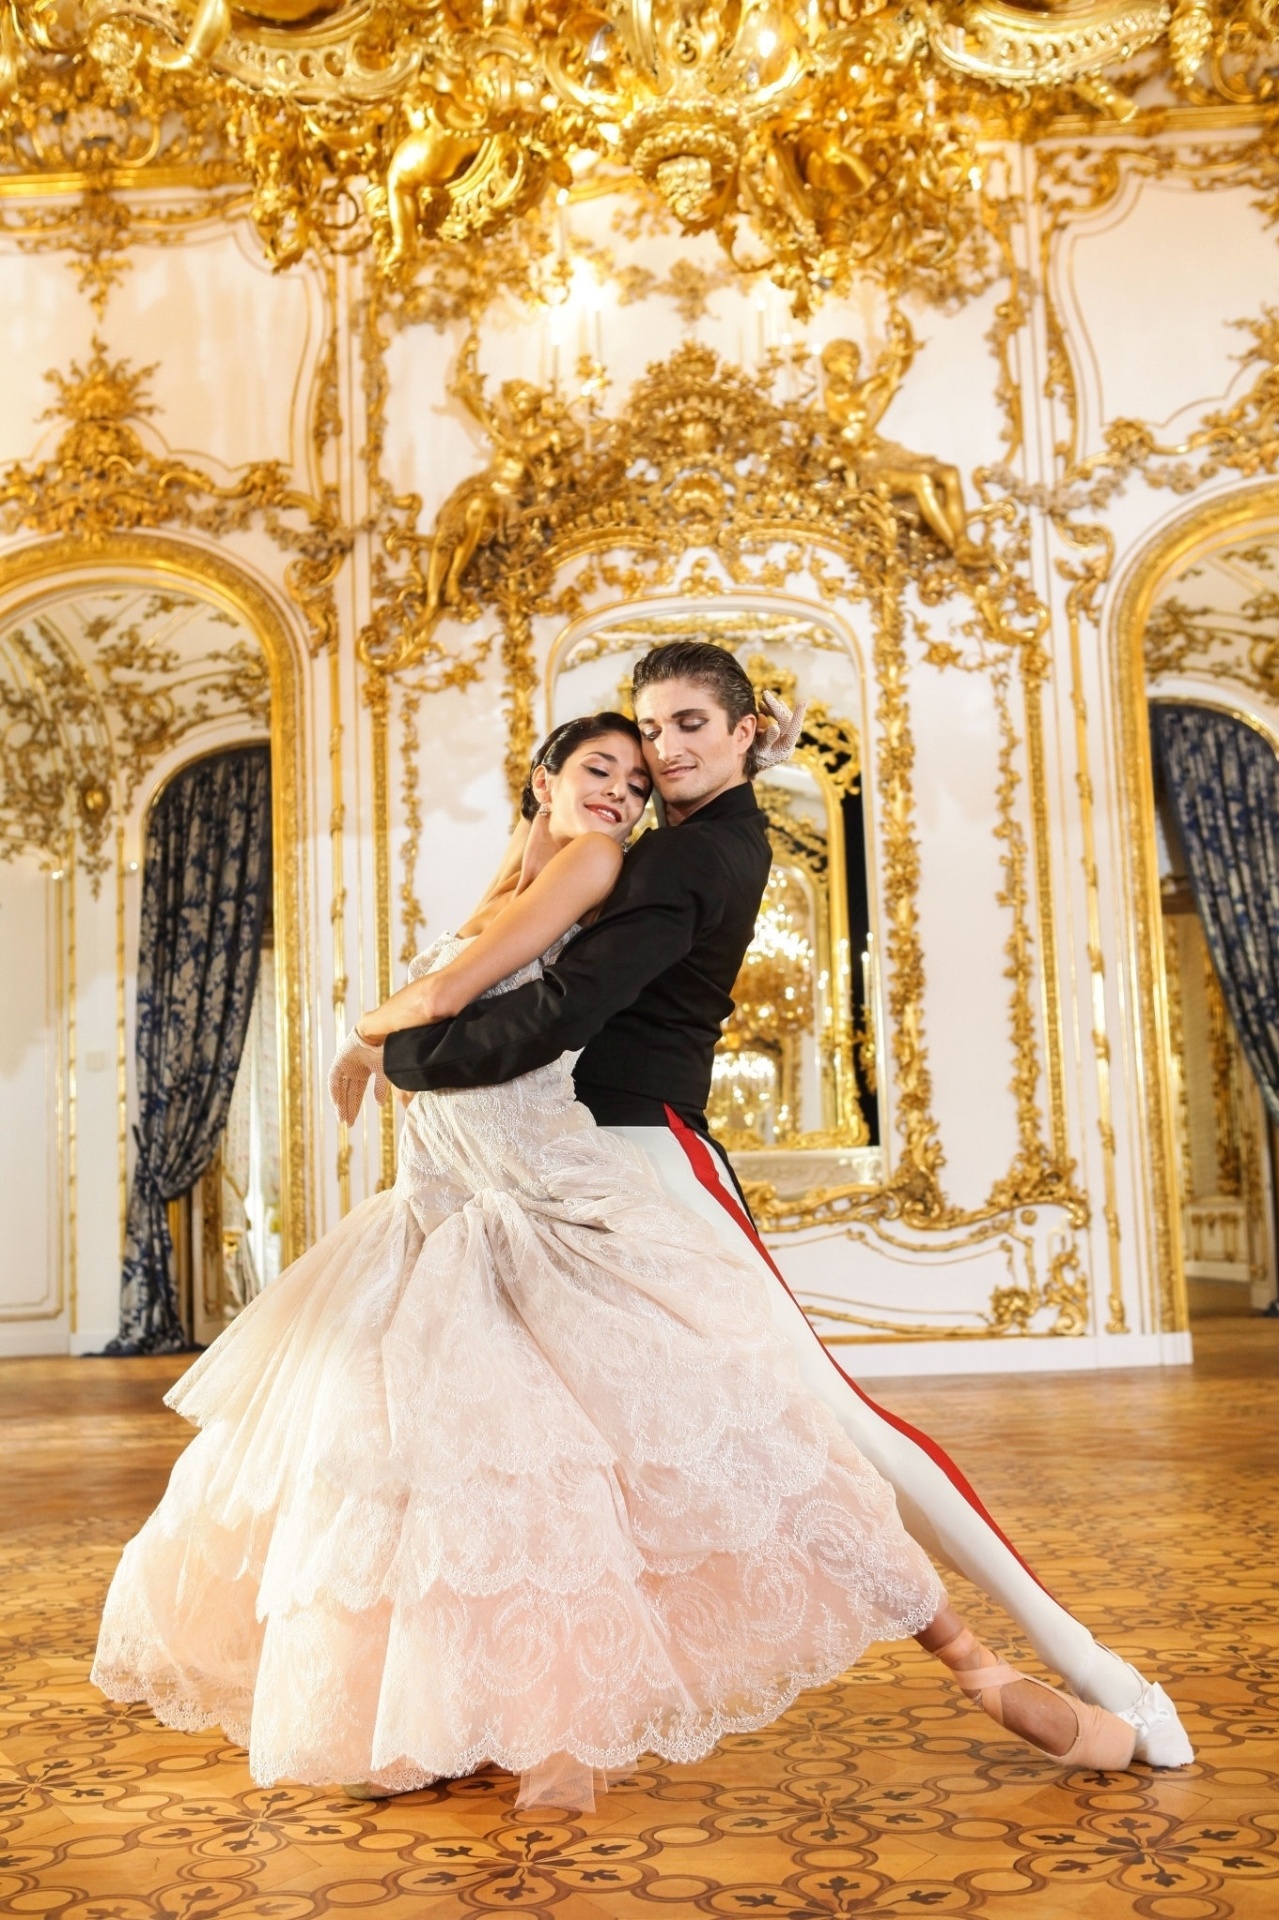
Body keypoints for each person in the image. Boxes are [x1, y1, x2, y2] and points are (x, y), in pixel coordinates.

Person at [93, 701, 1139, 1809]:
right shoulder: (519, 885)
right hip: (443, 1217)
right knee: (462, 1493)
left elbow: (446, 1003)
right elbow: (455, 991)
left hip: (545, 1208)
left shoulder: (589, 863)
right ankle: (471, 1714)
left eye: (638, 788)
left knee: (732, 1438)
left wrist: (367, 1038)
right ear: (539, 774)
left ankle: (979, 1666)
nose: (621, 798)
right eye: (604, 770)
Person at [378, 639, 1194, 1772]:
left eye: (686, 729)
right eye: (649, 729)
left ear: (739, 729)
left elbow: (561, 1012)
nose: (660, 752)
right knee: (557, 1442)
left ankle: (1092, 1665)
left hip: (649, 1156)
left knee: (838, 1423)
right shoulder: (673, 837)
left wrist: (399, 1051)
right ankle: (510, 1717)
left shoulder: (683, 862)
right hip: (572, 1166)